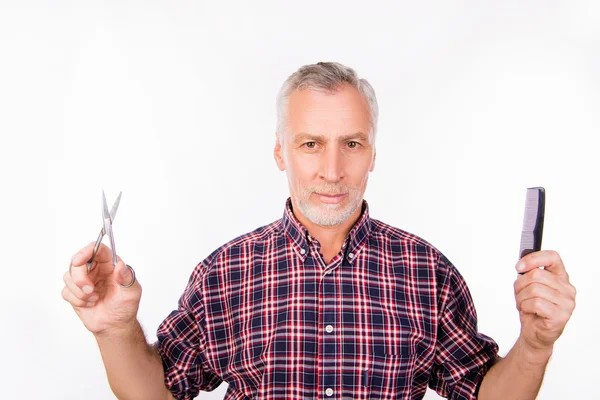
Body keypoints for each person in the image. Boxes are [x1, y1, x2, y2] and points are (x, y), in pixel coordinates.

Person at [62, 62, 576, 400]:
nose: (332, 170)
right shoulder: (223, 274)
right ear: (280, 151)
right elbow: (158, 393)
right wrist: (113, 329)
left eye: (351, 144)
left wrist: (535, 344)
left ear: (372, 153)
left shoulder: (428, 273)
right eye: (311, 144)